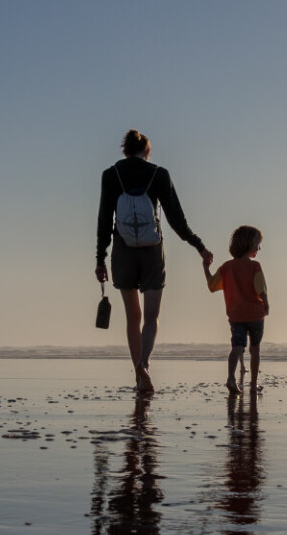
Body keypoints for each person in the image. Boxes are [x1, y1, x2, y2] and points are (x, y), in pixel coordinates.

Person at [95, 129, 214, 394]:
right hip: (152, 251)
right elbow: (177, 221)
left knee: (132, 317)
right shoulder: (159, 174)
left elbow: (105, 220)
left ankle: (138, 377)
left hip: (123, 251)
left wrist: (100, 259)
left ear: (124, 150)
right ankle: (144, 364)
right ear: (146, 150)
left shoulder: (110, 175)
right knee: (151, 316)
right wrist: (199, 246)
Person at [206, 224, 269, 394]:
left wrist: (206, 267)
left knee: (237, 347)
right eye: (257, 243)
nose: (259, 247)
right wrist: (266, 303)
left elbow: (212, 286)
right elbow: (261, 288)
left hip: (236, 316)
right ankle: (253, 384)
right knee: (254, 348)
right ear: (249, 244)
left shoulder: (226, 267)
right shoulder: (255, 266)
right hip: (255, 314)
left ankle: (231, 379)